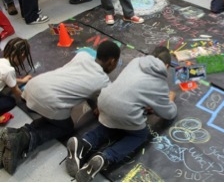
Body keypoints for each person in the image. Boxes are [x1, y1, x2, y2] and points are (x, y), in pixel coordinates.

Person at [0, 41, 120, 175]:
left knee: (54, 116)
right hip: (49, 101)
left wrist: (94, 105)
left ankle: (16, 135)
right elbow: (103, 102)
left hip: (31, 88)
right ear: (112, 62)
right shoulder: (104, 82)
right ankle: (26, 138)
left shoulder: (83, 56)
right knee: (66, 126)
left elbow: (86, 86)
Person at [65, 46, 177, 182]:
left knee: (111, 124)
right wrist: (169, 99)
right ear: (166, 65)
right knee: (139, 135)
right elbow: (169, 113)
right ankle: (106, 157)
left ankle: (84, 143)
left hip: (105, 101)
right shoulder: (160, 83)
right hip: (125, 112)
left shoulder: (136, 61)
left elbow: (131, 88)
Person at [0, 38, 33, 115]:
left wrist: (21, 81)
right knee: (11, 102)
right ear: (22, 55)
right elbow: (17, 93)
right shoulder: (9, 70)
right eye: (25, 57)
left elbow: (4, 76)